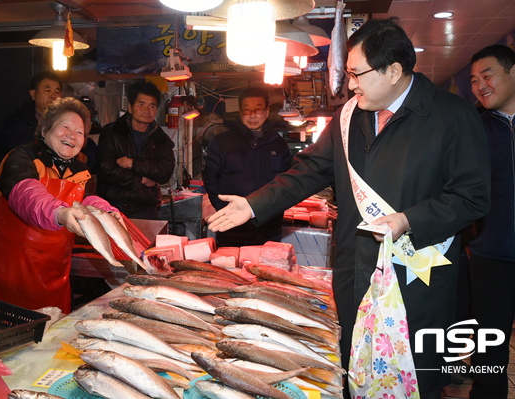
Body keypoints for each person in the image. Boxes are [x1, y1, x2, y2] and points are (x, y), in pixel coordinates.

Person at [207, 18, 491, 398]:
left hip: (415, 278)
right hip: (354, 272)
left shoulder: (452, 116)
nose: (350, 83)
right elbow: (310, 170)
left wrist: (409, 219)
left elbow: (472, 196)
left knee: (412, 377)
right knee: (353, 370)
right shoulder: (348, 116)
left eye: (357, 73)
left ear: (393, 71)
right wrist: (255, 204)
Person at [0, 97, 121, 313]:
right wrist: (59, 213)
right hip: (7, 274)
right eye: (65, 127)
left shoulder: (81, 171)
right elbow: (26, 193)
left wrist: (107, 213)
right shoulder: (21, 158)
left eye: (80, 132)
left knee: (51, 339)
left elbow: (88, 199)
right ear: (44, 129)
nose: (73, 135)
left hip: (54, 275)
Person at [468, 44, 515, 399]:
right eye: (473, 80)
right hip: (489, 254)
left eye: (487, 75)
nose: (479, 85)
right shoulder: (473, 130)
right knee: (489, 347)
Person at [203, 87, 292, 247]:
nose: (252, 115)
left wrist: (273, 212)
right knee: (229, 270)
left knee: (267, 269)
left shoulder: (279, 145)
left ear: (267, 110)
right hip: (231, 229)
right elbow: (210, 180)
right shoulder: (222, 142)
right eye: (247, 110)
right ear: (239, 110)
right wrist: (223, 209)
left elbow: (286, 184)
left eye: (258, 110)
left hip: (269, 228)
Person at [97, 80, 175, 219]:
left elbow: (165, 171)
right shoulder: (112, 132)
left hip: (145, 209)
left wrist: (133, 163)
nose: (146, 110)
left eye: (152, 106)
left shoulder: (161, 139)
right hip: (112, 207)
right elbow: (106, 169)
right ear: (131, 107)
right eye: (141, 104)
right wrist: (141, 180)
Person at [0, 71, 63, 157]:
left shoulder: (66, 119)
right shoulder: (17, 121)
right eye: (48, 90)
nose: (53, 96)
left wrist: (85, 156)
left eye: (57, 92)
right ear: (33, 94)